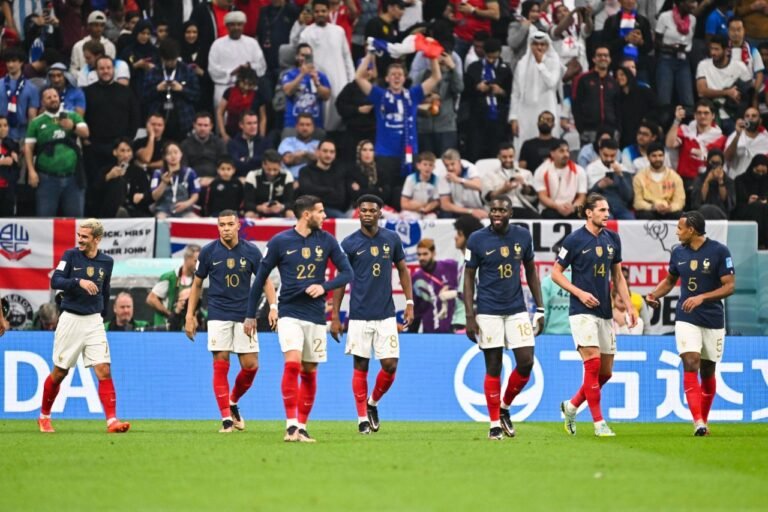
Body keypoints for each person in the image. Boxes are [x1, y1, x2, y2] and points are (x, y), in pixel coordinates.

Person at [244, 195, 353, 442]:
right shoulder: (280, 242)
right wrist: (250, 315)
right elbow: (260, 279)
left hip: (315, 316)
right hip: (289, 313)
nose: (325, 216)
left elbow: (348, 273)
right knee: (292, 364)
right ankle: (291, 425)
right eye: (321, 211)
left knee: (309, 371)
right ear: (307, 215)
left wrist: (324, 287)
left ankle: (302, 427)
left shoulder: (327, 240)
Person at [552, 193, 637, 437]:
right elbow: (556, 273)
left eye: (607, 209)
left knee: (606, 372)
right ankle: (599, 423)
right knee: (593, 364)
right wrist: (579, 293)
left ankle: (571, 406)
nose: (606, 214)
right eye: (601, 210)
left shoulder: (613, 239)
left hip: (605, 312)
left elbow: (618, 276)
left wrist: (629, 306)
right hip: (582, 311)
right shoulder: (575, 239)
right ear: (589, 213)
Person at [185, 210, 278, 433]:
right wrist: (190, 315)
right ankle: (226, 419)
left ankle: (232, 401)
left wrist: (273, 307)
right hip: (218, 315)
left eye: (229, 224)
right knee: (220, 364)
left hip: (245, 315)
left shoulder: (251, 251)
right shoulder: (208, 252)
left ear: (238, 226)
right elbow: (197, 285)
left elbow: (266, 282)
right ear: (218, 227)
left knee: (250, 366)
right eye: (221, 224)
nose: (225, 228)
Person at [330, 194, 414, 434]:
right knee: (361, 366)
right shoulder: (348, 243)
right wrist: (336, 316)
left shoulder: (391, 239)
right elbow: (340, 282)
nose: (367, 214)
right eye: (363, 210)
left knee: (389, 365)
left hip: (386, 314)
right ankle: (361, 420)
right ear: (359, 213)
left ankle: (372, 403)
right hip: (358, 315)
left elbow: (403, 270)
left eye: (371, 210)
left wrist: (409, 303)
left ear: (380, 213)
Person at [645, 211, 735, 436]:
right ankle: (698, 422)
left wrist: (702, 297)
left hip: (713, 319)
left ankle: (704, 418)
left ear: (692, 230)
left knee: (708, 370)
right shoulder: (677, 253)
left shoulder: (719, 251)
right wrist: (655, 294)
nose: (676, 231)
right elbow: (670, 280)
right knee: (691, 360)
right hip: (687, 318)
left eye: (680, 228)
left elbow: (729, 286)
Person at [464, 196, 545, 440]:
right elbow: (468, 277)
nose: (497, 213)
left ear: (510, 213)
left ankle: (505, 407)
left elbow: (530, 271)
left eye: (502, 210)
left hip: (517, 309)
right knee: (494, 366)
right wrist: (470, 314)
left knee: (526, 361)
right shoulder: (477, 239)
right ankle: (493, 424)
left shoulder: (523, 236)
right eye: (493, 210)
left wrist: (539, 309)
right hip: (488, 311)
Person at [39, 218, 130, 434]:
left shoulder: (106, 262)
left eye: (85, 237)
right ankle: (44, 416)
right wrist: (78, 282)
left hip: (94, 321)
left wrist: (103, 313)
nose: (80, 239)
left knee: (104, 369)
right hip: (70, 318)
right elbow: (56, 281)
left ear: (97, 239)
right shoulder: (70, 256)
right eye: (79, 235)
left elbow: (105, 289)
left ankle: (112, 421)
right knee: (60, 372)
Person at [355, 53, 441, 201]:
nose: (396, 77)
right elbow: (359, 78)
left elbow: (436, 77)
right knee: (386, 191)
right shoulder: (379, 95)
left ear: (404, 78)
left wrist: (432, 55)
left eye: (400, 74)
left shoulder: (413, 95)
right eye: (393, 74)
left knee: (406, 191)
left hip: (408, 152)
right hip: (385, 154)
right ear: (387, 78)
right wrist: (369, 55)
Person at [25, 87, 89, 218]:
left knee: (75, 221)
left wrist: (73, 127)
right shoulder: (37, 122)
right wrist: (31, 171)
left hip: (73, 178)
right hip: (47, 179)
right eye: (48, 97)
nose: (53, 99)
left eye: (54, 96)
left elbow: (86, 133)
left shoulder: (72, 115)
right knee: (45, 221)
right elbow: (28, 148)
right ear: (42, 102)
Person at [298, 0, 355, 132]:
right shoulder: (306, 33)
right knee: (321, 119)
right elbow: (302, 59)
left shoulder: (339, 31)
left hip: (340, 80)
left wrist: (351, 82)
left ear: (329, 11)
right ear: (313, 13)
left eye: (323, 11)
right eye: (317, 11)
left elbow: (347, 57)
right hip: (318, 82)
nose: (320, 14)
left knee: (340, 116)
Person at [509, 31, 562, 153]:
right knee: (524, 146)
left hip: (547, 109)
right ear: (530, 45)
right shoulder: (522, 64)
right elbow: (515, 93)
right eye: (536, 44)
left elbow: (552, 82)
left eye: (543, 44)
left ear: (547, 45)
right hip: (525, 112)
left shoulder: (553, 61)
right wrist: (513, 118)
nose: (539, 47)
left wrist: (541, 63)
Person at [143, 38, 201, 142]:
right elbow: (144, 97)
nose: (170, 63)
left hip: (183, 120)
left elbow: (197, 95)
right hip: (159, 118)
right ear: (161, 58)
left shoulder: (187, 71)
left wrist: (182, 89)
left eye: (172, 60)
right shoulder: (153, 72)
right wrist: (157, 89)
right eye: (167, 60)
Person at [463, 38, 512, 161]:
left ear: (499, 53)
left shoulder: (505, 70)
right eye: (488, 57)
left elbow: (512, 94)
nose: (490, 60)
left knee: (496, 154)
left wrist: (501, 91)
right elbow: (465, 93)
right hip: (477, 119)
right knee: (475, 153)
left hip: (499, 119)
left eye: (493, 58)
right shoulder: (474, 68)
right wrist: (477, 88)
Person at [207, 11, 267, 108]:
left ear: (243, 26)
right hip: (224, 88)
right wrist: (231, 72)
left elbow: (261, 66)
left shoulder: (252, 43)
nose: (236, 28)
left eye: (239, 24)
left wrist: (249, 67)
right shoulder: (217, 44)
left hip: (248, 88)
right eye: (232, 25)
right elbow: (212, 69)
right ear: (227, 26)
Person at [572, 44, 620, 145]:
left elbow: (618, 106)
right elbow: (576, 105)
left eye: (606, 56)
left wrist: (617, 128)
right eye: (599, 55)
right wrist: (581, 128)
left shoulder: (614, 82)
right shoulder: (583, 79)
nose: (603, 58)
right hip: (589, 130)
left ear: (610, 59)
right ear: (594, 59)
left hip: (611, 130)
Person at [146, 244, 201, 330]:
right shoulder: (170, 277)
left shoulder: (197, 281)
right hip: (164, 327)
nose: (198, 265)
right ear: (187, 259)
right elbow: (151, 299)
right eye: (196, 261)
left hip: (183, 328)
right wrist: (170, 314)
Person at [410, 238, 459, 333]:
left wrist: (452, 290)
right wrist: (411, 334)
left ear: (433, 253)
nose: (421, 258)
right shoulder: (416, 278)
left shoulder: (450, 266)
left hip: (452, 329)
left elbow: (464, 287)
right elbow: (415, 310)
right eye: (419, 255)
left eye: (425, 254)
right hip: (429, 333)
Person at [281, 43, 331, 134]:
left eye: (308, 56)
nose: (305, 58)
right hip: (293, 124)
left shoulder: (320, 75)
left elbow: (327, 96)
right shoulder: (289, 74)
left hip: (315, 124)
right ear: (297, 57)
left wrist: (317, 83)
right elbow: (288, 91)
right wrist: (302, 74)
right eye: (303, 55)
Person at [533, 139, 587, 219]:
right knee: (550, 214)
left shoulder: (579, 170)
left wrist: (573, 207)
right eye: (561, 151)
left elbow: (582, 196)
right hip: (550, 208)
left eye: (567, 151)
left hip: (571, 207)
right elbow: (542, 196)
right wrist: (558, 207)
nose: (566, 154)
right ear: (552, 153)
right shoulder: (542, 170)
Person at [633, 142, 686, 219]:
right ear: (648, 158)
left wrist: (670, 208)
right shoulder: (639, 177)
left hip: (669, 210)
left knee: (679, 215)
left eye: (660, 155)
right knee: (644, 215)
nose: (658, 159)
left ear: (664, 157)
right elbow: (637, 202)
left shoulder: (675, 177)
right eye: (654, 156)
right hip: (650, 210)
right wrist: (653, 207)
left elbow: (680, 201)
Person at [297, 139, 349, 218]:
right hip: (310, 210)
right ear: (317, 152)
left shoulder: (339, 172)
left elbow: (340, 199)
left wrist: (317, 194)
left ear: (335, 154)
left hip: (333, 210)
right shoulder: (305, 171)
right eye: (325, 151)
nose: (328, 155)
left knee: (344, 219)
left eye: (332, 152)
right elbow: (306, 192)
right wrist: (329, 191)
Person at [585, 138, 635, 219]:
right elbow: (588, 197)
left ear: (617, 153)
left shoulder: (623, 169)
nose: (609, 159)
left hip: (620, 207)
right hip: (599, 207)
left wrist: (621, 176)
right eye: (606, 155)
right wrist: (599, 186)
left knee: (630, 220)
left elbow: (628, 196)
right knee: (606, 219)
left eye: (612, 156)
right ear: (600, 151)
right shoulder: (591, 169)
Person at [150, 141, 201, 218]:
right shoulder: (157, 173)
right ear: (164, 157)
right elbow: (154, 197)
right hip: (163, 211)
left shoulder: (190, 172)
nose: (173, 156)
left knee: (195, 220)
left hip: (185, 211)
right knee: (160, 219)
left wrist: (186, 204)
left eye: (176, 152)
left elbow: (195, 195)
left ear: (181, 154)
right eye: (169, 153)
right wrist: (164, 183)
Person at [1, 47, 40, 143]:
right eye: (8, 61)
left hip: (22, 135)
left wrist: (29, 140)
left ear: (21, 62)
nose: (10, 65)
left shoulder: (32, 88)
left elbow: (32, 117)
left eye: (14, 61)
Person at [452, 214, 484, 332]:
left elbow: (479, 295)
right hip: (459, 318)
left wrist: (455, 294)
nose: (455, 237)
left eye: (459, 234)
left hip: (469, 322)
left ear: (469, 237)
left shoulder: (479, 263)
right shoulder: (462, 259)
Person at [243, 149, 295, 218]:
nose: (271, 173)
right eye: (269, 169)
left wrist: (281, 206)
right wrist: (260, 208)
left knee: (290, 214)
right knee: (249, 215)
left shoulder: (287, 175)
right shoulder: (252, 175)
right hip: (258, 210)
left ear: (280, 165)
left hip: (280, 211)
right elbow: (247, 203)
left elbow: (291, 202)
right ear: (263, 165)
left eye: (275, 169)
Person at [437, 149, 487, 219]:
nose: (450, 168)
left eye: (452, 164)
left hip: (479, 206)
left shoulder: (470, 167)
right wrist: (471, 211)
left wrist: (458, 180)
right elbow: (445, 205)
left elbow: (479, 186)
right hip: (460, 210)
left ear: (459, 162)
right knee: (444, 213)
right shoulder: (443, 175)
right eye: (446, 165)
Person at [733, 153, 768, 249]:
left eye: (763, 172)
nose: (760, 175)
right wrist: (748, 201)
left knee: (762, 208)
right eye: (757, 171)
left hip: (764, 210)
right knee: (758, 207)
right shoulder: (740, 180)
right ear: (752, 167)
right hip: (745, 210)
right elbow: (737, 204)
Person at [724, 106, 768, 179]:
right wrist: (738, 135)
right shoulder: (734, 136)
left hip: (757, 182)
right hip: (735, 180)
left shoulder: (765, 140)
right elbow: (727, 157)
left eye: (754, 116)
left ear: (760, 121)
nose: (750, 118)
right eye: (747, 116)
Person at [400, 151, 441, 218]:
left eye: (430, 165)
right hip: (412, 211)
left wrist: (427, 208)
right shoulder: (410, 179)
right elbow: (404, 204)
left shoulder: (437, 180)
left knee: (432, 219)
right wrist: (421, 206)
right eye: (425, 164)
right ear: (418, 166)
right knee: (410, 218)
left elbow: (437, 202)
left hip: (428, 211)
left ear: (434, 167)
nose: (427, 167)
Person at [278, 113, 320, 178]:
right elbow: (287, 160)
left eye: (308, 125)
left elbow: (322, 161)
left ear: (313, 127)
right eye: (301, 125)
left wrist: (304, 153)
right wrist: (312, 157)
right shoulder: (287, 141)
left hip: (313, 180)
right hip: (292, 179)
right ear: (296, 126)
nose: (305, 128)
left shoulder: (319, 144)